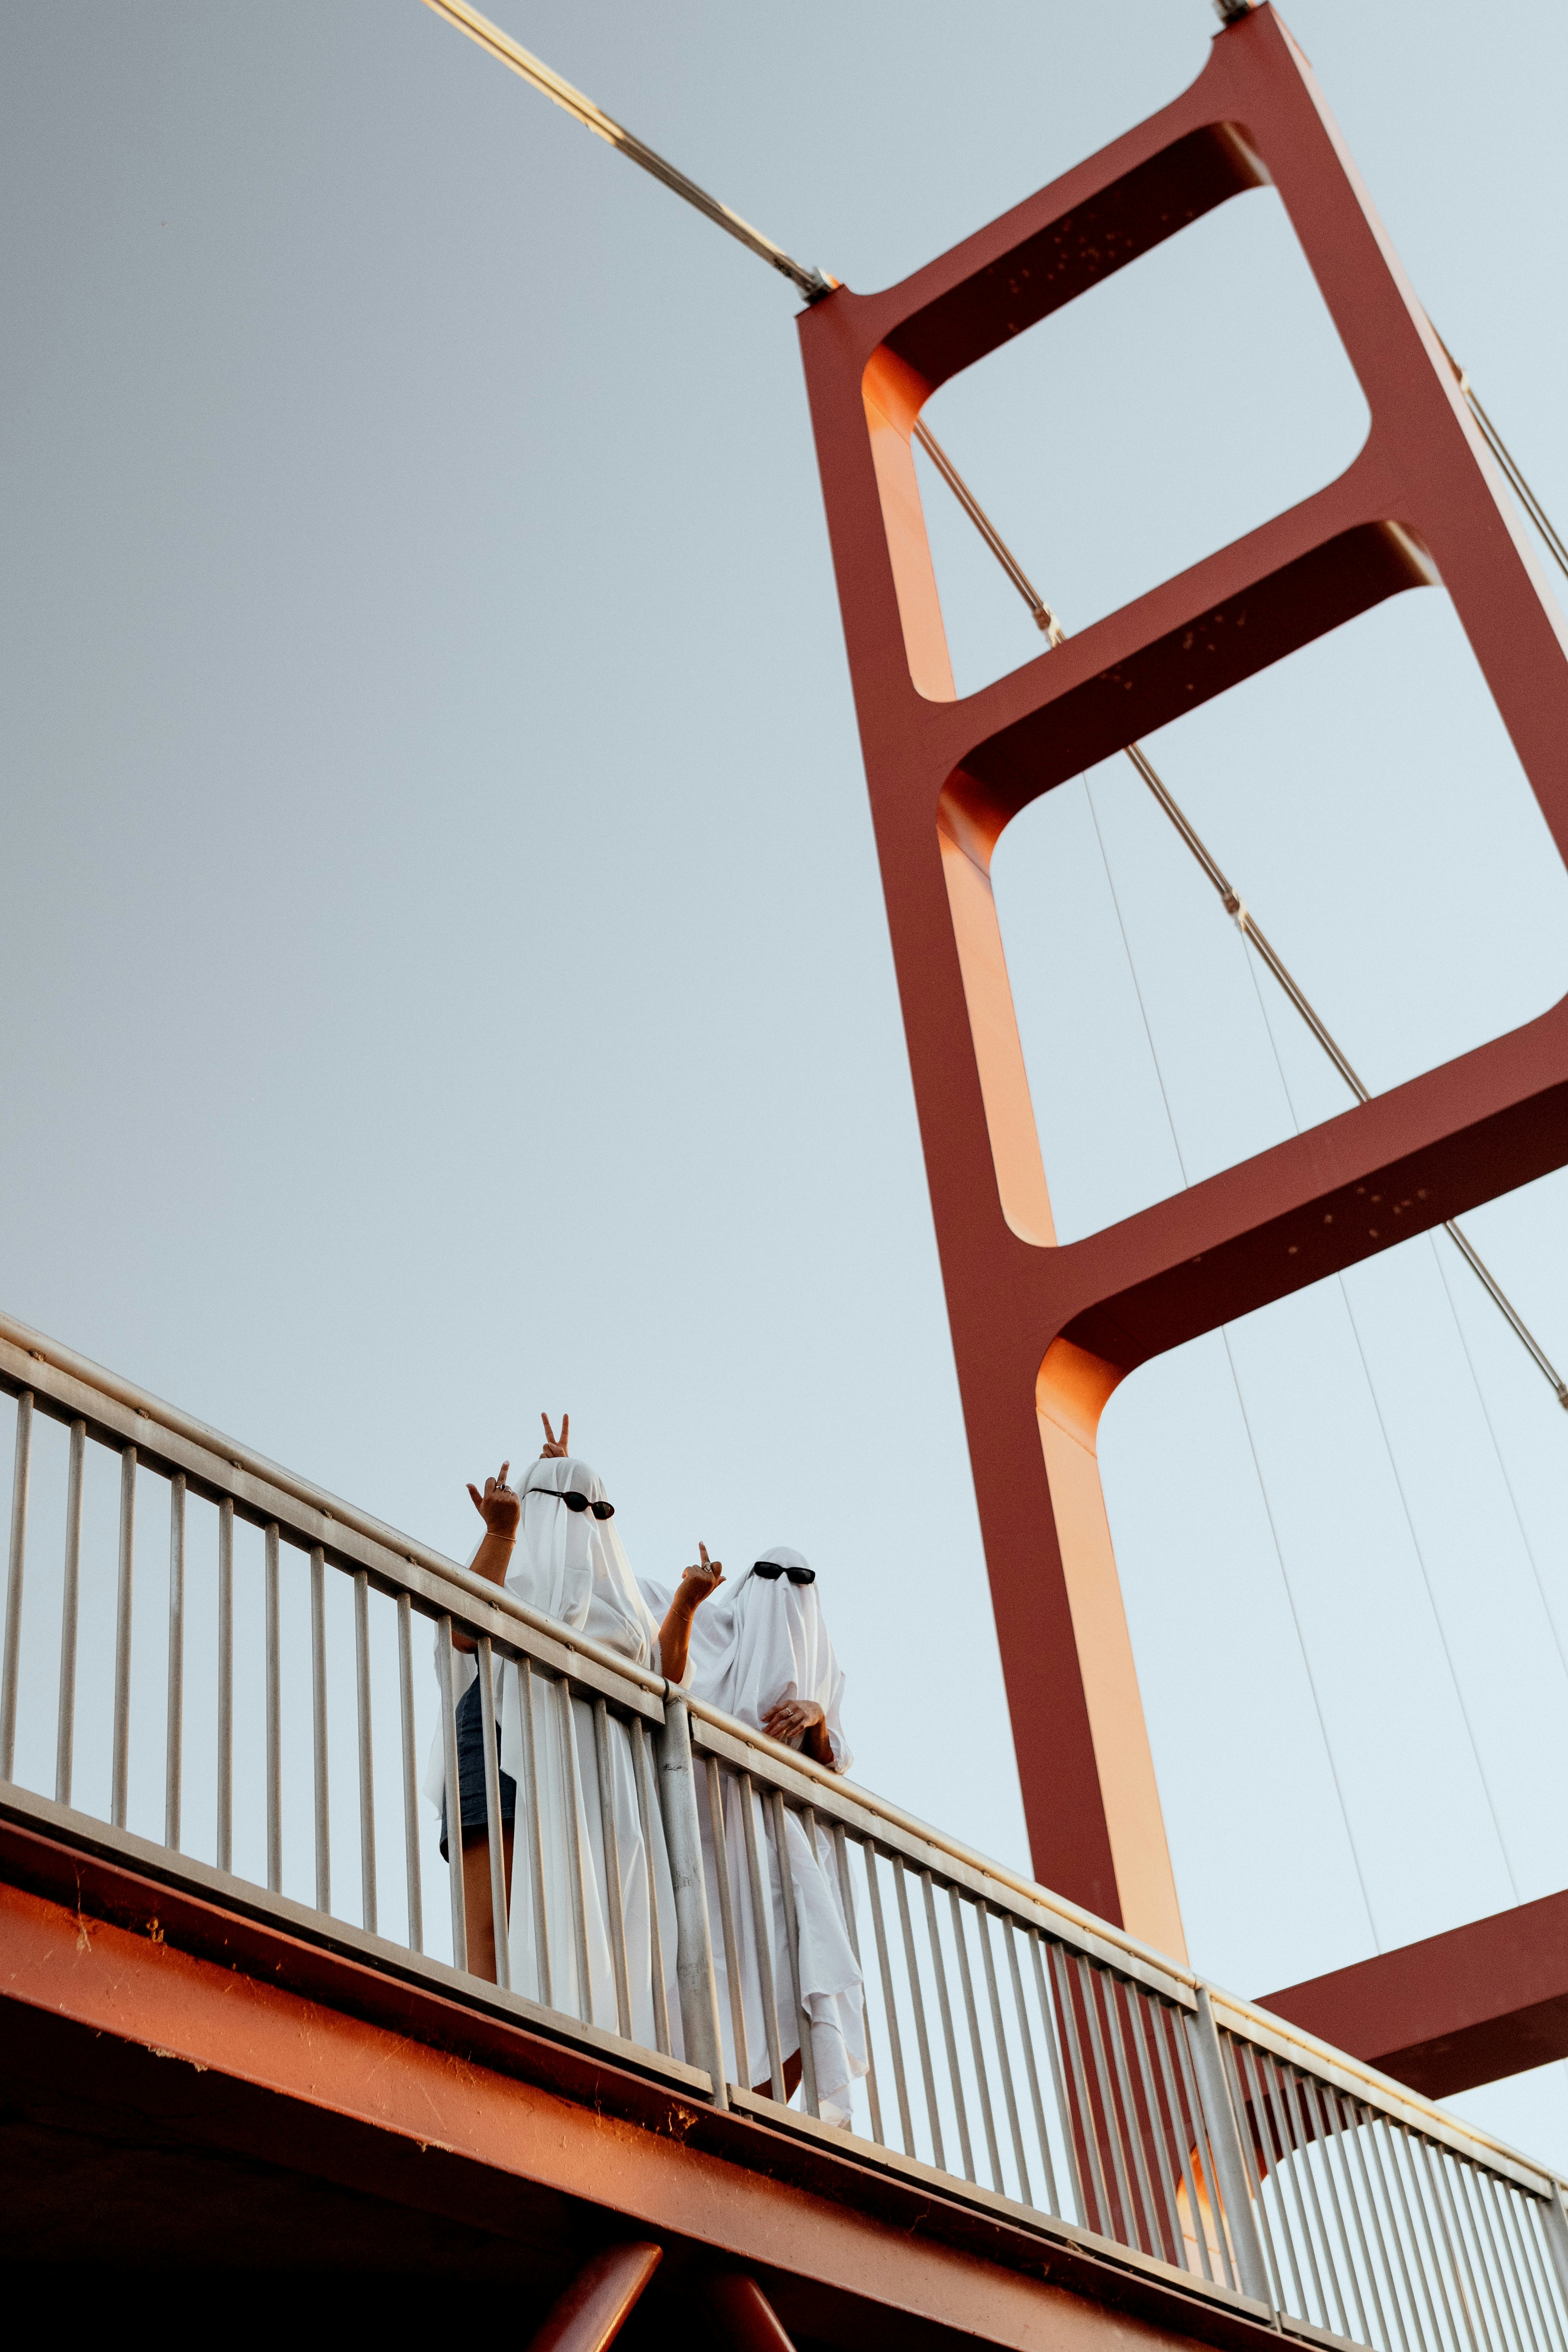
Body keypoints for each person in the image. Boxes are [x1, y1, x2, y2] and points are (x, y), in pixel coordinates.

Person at [426, 1414, 722, 2042]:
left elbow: (663, 1674)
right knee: (494, 1930)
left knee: (595, 1916)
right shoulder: (513, 1563)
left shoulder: (622, 1601)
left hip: (595, 1766)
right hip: (499, 1735)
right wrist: (504, 1529)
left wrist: (685, 1605)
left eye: (596, 1507)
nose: (581, 1517)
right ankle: (489, 2051)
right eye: (563, 1503)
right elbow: (463, 1630)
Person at [641, 1542, 867, 2123]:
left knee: (798, 1975)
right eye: (768, 1574)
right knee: (707, 1969)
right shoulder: (716, 1630)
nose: (784, 1589)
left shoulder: (823, 1666)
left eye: (800, 1578)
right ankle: (700, 2104)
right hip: (708, 1828)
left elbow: (830, 1765)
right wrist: (688, 1601)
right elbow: (666, 1671)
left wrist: (816, 1719)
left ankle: (764, 2116)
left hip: (782, 1844)